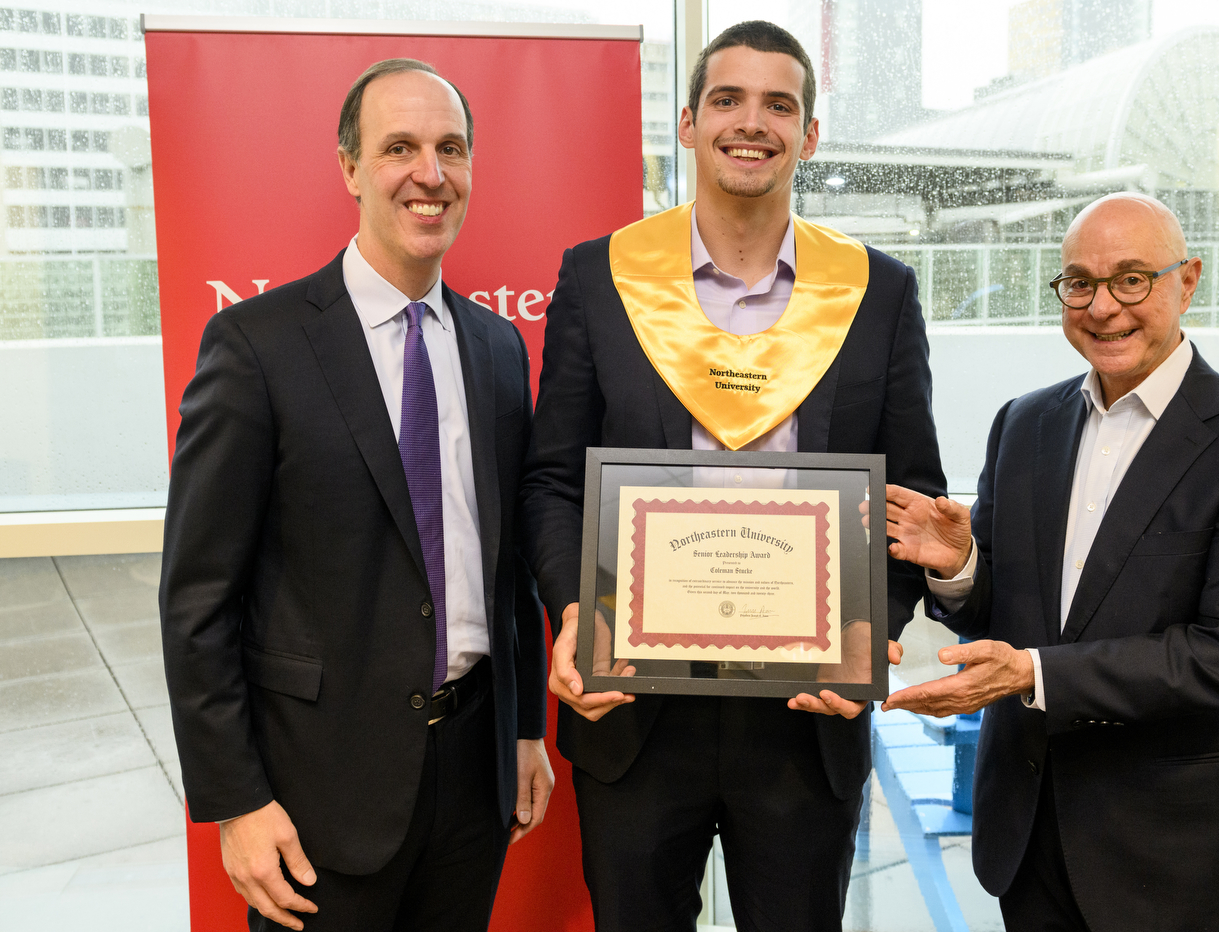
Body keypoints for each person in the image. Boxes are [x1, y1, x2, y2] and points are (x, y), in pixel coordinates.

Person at [520, 20, 945, 932]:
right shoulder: (603, 280)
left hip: (804, 720)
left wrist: (873, 633)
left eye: (779, 104)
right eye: (728, 99)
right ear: (687, 122)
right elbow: (553, 480)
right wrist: (569, 617)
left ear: (810, 134)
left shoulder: (877, 294)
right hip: (633, 714)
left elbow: (911, 496)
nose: (751, 123)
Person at [159, 58, 551, 932]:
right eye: (399, 148)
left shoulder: (495, 348)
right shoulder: (257, 347)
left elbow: (510, 571)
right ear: (349, 168)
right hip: (316, 797)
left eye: (451, 149)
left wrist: (526, 729)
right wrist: (235, 802)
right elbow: (197, 601)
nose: (430, 174)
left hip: (472, 780)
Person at [877, 192, 1219, 931]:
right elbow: (1005, 614)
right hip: (1031, 835)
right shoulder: (1025, 424)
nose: (1103, 306)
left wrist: (1035, 674)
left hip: (1180, 855)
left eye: (1132, 279)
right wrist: (960, 567)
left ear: (1188, 281)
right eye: (1079, 282)